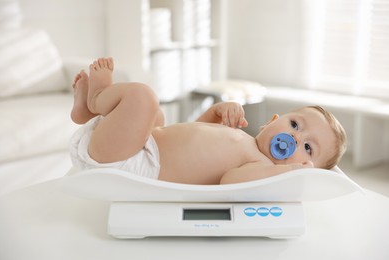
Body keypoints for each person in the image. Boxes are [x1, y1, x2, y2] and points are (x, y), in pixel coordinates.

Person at [69, 57, 347, 185]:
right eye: (295, 125)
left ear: (304, 167)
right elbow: (192, 133)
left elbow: (230, 181)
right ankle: (92, 109)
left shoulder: (260, 168)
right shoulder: (244, 141)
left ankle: (96, 101)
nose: (295, 138)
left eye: (308, 148)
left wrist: (289, 174)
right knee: (158, 117)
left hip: (129, 164)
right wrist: (215, 113)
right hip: (140, 145)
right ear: (271, 121)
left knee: (144, 98)